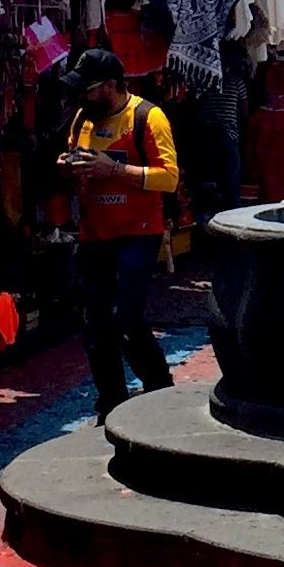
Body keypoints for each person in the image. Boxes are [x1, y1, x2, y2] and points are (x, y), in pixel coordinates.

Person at [62, 49, 179, 410]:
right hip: (95, 233)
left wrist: (113, 170)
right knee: (94, 326)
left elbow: (169, 178)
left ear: (112, 86)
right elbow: (71, 155)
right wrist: (71, 167)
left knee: (125, 319)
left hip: (138, 232)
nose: (83, 95)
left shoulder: (148, 117)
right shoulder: (83, 117)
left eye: (90, 88)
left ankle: (160, 390)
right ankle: (110, 402)